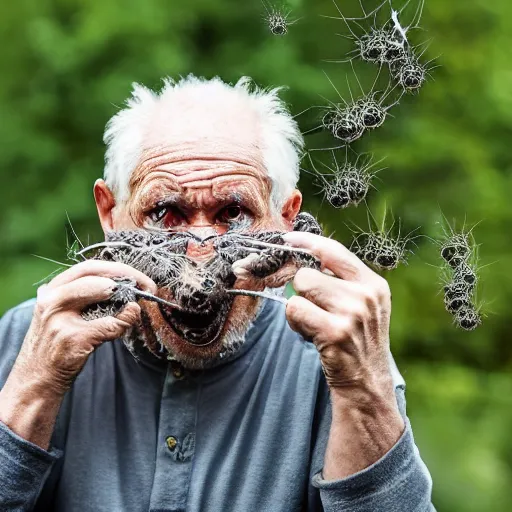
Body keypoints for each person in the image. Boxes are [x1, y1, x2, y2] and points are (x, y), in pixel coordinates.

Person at [0, 75, 435, 511]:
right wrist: (35, 385)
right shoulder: (30, 340)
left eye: (233, 212)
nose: (200, 252)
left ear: (285, 219)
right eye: (166, 213)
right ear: (110, 213)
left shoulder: (340, 354)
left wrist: (363, 389)